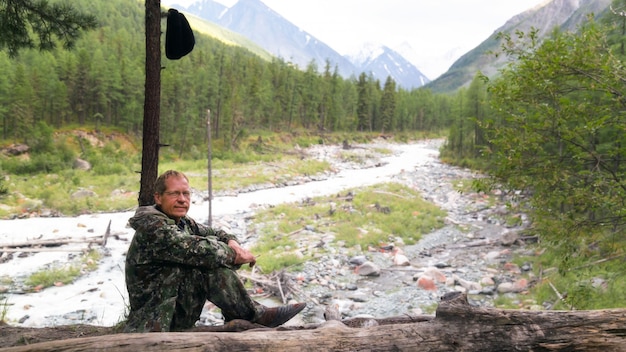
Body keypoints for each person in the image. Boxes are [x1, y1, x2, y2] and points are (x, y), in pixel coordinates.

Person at [124, 170, 305, 332]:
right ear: (158, 197)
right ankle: (253, 316)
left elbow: (217, 233)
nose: (182, 199)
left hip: (172, 312)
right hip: (153, 320)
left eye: (186, 194)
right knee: (209, 265)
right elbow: (197, 250)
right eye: (174, 194)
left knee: (212, 258)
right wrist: (235, 255)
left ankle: (246, 316)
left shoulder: (184, 223)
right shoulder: (153, 227)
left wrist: (232, 243)